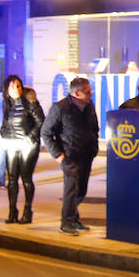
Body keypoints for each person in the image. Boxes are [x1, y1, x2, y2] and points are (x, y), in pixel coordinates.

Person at [42, 76, 99, 235]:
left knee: (81, 190)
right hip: (69, 156)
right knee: (71, 190)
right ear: (77, 93)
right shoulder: (60, 108)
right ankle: (66, 222)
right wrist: (59, 156)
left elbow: (94, 128)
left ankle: (73, 218)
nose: (91, 95)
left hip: (86, 155)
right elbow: (46, 133)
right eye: (88, 92)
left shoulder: (88, 106)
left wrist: (93, 146)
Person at [0, 74, 43, 224]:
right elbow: (5, 124)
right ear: (6, 89)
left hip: (27, 145)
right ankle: (12, 211)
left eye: (18, 86)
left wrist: (30, 137)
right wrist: (3, 134)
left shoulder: (30, 103)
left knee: (26, 179)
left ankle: (27, 211)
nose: (16, 89)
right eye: (12, 86)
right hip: (12, 144)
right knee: (11, 179)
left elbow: (40, 122)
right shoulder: (6, 105)